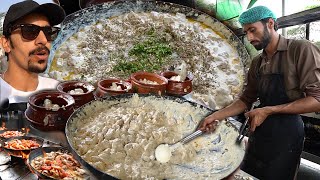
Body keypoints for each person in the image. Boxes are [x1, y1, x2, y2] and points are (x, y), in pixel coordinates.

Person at [200, 6, 320, 180]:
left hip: (286, 134)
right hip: (259, 131)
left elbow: (317, 99)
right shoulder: (257, 62)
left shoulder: (300, 50)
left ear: (270, 24)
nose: (249, 37)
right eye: (246, 32)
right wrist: (216, 116)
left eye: (252, 30)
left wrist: (268, 110)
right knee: (251, 175)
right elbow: (245, 100)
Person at [0, 0, 66, 106]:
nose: (43, 40)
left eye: (49, 32)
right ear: (6, 43)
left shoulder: (58, 91)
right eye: (29, 31)